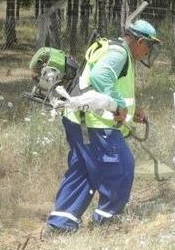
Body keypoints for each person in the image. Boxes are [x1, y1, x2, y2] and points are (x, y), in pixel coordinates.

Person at [44, 19, 161, 234]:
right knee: (121, 167)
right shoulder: (119, 53)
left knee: (84, 170)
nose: (148, 51)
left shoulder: (115, 49)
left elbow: (107, 86)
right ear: (139, 42)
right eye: (149, 46)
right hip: (94, 124)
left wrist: (131, 110)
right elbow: (100, 76)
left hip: (81, 120)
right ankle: (108, 219)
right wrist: (119, 106)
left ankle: (60, 224)